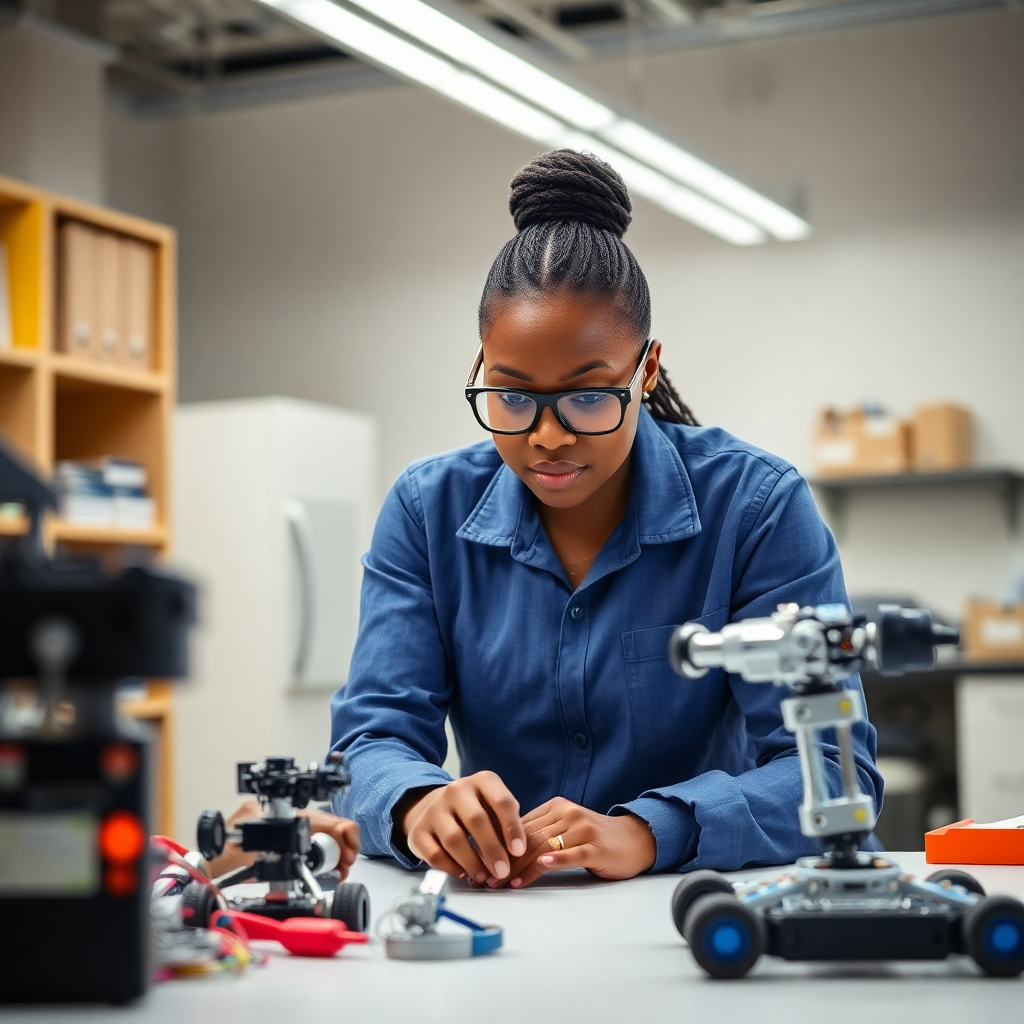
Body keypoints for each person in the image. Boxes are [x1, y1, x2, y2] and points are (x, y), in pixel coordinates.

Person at [330, 149, 882, 890]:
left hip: (687, 910)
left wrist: (652, 830)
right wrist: (418, 802)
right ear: (482, 368)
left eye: (589, 398)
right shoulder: (426, 512)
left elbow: (832, 771)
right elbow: (369, 742)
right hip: (499, 912)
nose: (547, 436)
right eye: (512, 396)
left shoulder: (756, 508)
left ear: (645, 372)